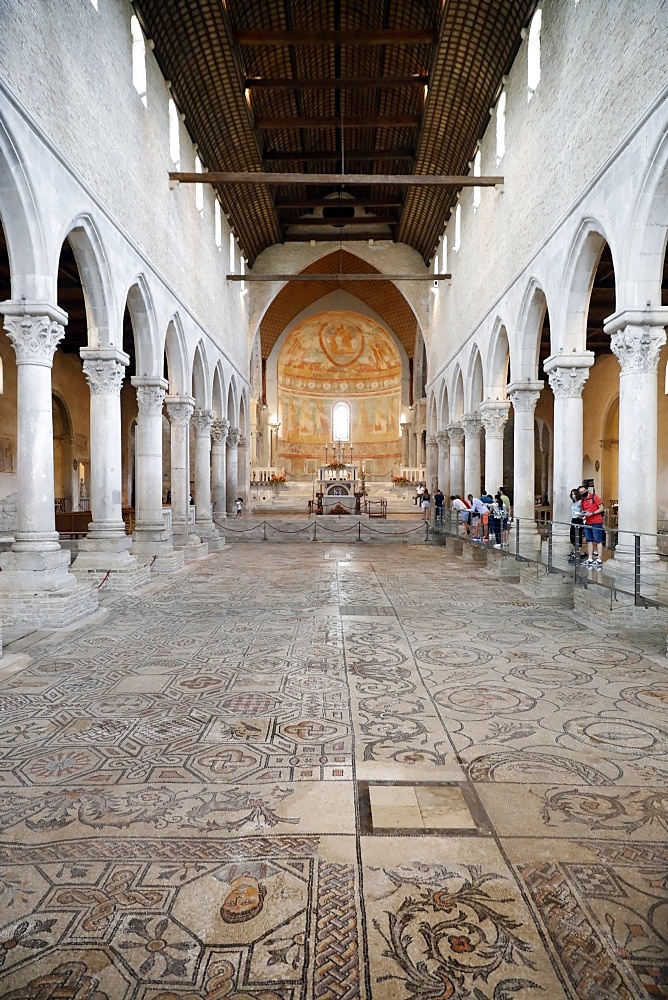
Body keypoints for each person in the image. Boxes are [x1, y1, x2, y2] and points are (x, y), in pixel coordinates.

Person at [578, 485, 604, 568]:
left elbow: (601, 508)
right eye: (581, 492)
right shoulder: (582, 501)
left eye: (584, 491)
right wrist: (581, 515)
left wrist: (592, 513)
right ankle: (590, 558)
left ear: (587, 490)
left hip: (596, 521)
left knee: (598, 541)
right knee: (589, 541)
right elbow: (583, 511)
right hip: (588, 522)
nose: (583, 493)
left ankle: (599, 560)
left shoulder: (595, 497)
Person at [568, 487, 586, 562]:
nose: (573, 495)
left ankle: (579, 551)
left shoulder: (580, 502)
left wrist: (581, 515)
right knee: (572, 535)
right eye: (572, 494)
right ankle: (576, 550)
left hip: (578, 519)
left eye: (574, 494)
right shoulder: (574, 503)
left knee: (578, 536)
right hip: (573, 519)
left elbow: (584, 510)